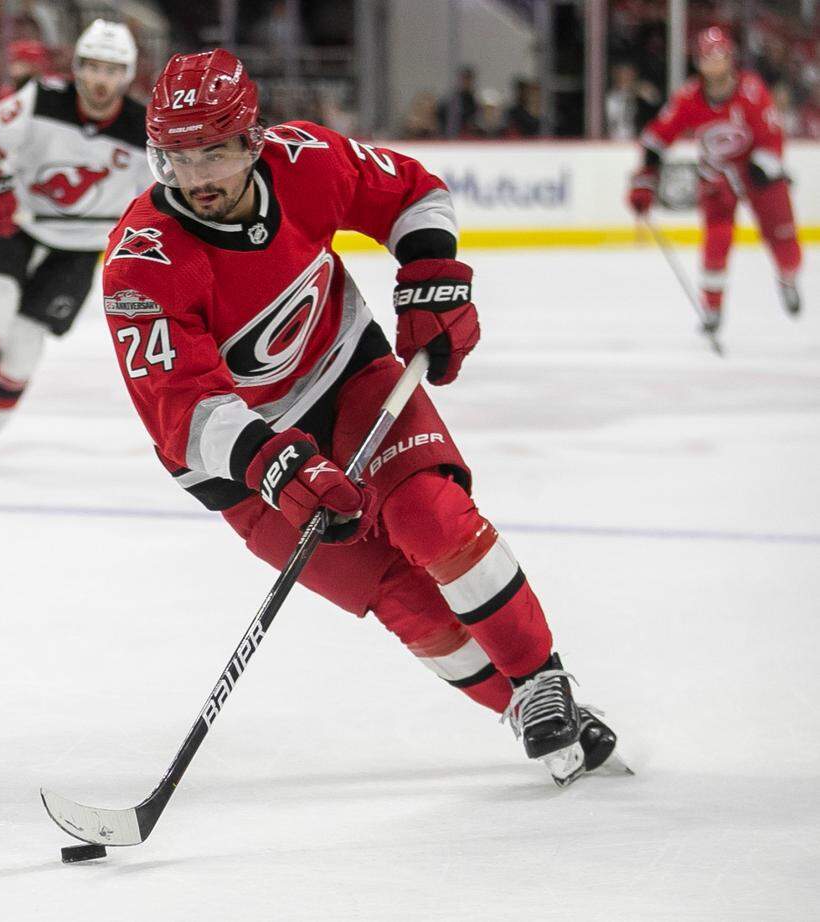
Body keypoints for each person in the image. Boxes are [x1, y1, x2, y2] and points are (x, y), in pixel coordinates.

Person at [101, 49, 624, 786]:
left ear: (253, 139)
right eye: (177, 159)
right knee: (402, 598)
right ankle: (524, 707)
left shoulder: (306, 161)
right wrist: (273, 464)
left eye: (213, 152)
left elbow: (411, 192)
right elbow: (181, 409)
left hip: (348, 375)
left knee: (429, 516)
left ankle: (542, 681)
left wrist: (431, 276)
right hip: (237, 459)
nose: (196, 177)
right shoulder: (142, 263)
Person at [0, 20, 150, 464]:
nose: (101, 80)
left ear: (127, 75)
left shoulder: (142, 129)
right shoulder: (41, 97)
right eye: (94, 67)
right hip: (16, 225)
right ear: (78, 67)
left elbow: (158, 200)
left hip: (79, 247)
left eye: (112, 70)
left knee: (24, 341)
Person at [627, 27, 803, 331]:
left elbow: (772, 137)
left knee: (783, 238)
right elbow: (657, 138)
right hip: (717, 174)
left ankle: (788, 277)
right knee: (716, 240)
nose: (714, 63)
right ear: (699, 62)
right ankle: (712, 306)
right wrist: (644, 179)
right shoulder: (689, 97)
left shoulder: (752, 91)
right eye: (707, 57)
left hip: (758, 172)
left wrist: (764, 166)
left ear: (730, 58)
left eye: (720, 55)